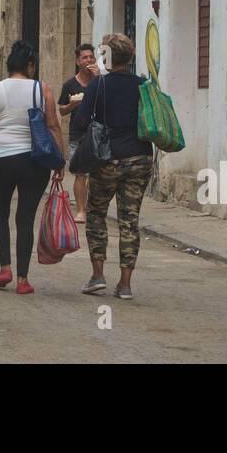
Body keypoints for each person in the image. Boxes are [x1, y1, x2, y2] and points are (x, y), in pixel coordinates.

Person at [0, 40, 66, 295]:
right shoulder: (42, 89)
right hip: (34, 162)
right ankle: (23, 279)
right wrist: (60, 161)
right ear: (30, 65)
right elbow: (53, 126)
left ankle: (4, 268)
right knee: (25, 218)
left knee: (0, 215)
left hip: (1, 159)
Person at [74, 33, 150, 300]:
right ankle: (125, 284)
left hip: (107, 159)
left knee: (96, 214)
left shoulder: (99, 86)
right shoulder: (143, 85)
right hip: (140, 158)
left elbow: (81, 121)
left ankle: (97, 276)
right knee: (130, 221)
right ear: (130, 57)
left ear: (107, 57)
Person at [59, 43, 101, 224]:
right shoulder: (70, 84)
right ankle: (81, 210)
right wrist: (71, 105)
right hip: (78, 132)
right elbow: (61, 111)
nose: (89, 60)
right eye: (85, 57)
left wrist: (98, 78)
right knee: (80, 173)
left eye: (91, 57)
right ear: (78, 61)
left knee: (97, 173)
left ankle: (93, 208)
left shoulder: (100, 81)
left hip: (99, 132)